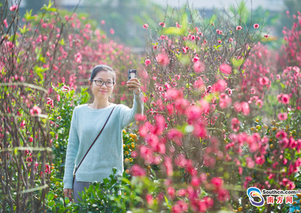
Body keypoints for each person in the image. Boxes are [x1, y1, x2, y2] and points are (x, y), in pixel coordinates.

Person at [63, 65, 144, 203]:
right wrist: (67, 182)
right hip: (82, 181)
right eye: (99, 81)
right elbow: (72, 149)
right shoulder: (79, 112)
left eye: (109, 82)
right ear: (90, 83)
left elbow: (135, 115)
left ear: (113, 86)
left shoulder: (117, 111)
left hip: (109, 182)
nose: (104, 86)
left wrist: (138, 94)